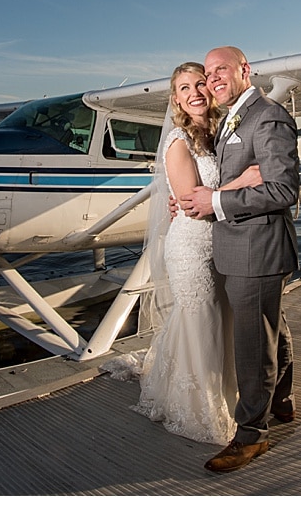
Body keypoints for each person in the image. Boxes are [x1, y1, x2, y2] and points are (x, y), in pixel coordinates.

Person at [105, 62, 262, 445]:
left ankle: (232, 395)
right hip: (192, 245)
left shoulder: (221, 131)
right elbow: (192, 204)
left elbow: (206, 194)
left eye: (200, 84)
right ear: (175, 98)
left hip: (224, 243)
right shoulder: (179, 140)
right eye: (184, 88)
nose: (194, 92)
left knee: (219, 321)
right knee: (202, 320)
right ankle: (202, 410)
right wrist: (243, 181)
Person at [181, 46, 299, 474]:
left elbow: (284, 191)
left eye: (221, 69)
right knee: (271, 328)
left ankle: (252, 437)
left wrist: (215, 200)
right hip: (239, 246)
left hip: (257, 249)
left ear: (245, 70)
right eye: (208, 71)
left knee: (253, 345)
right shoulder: (234, 115)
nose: (212, 78)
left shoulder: (266, 115)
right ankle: (281, 399)